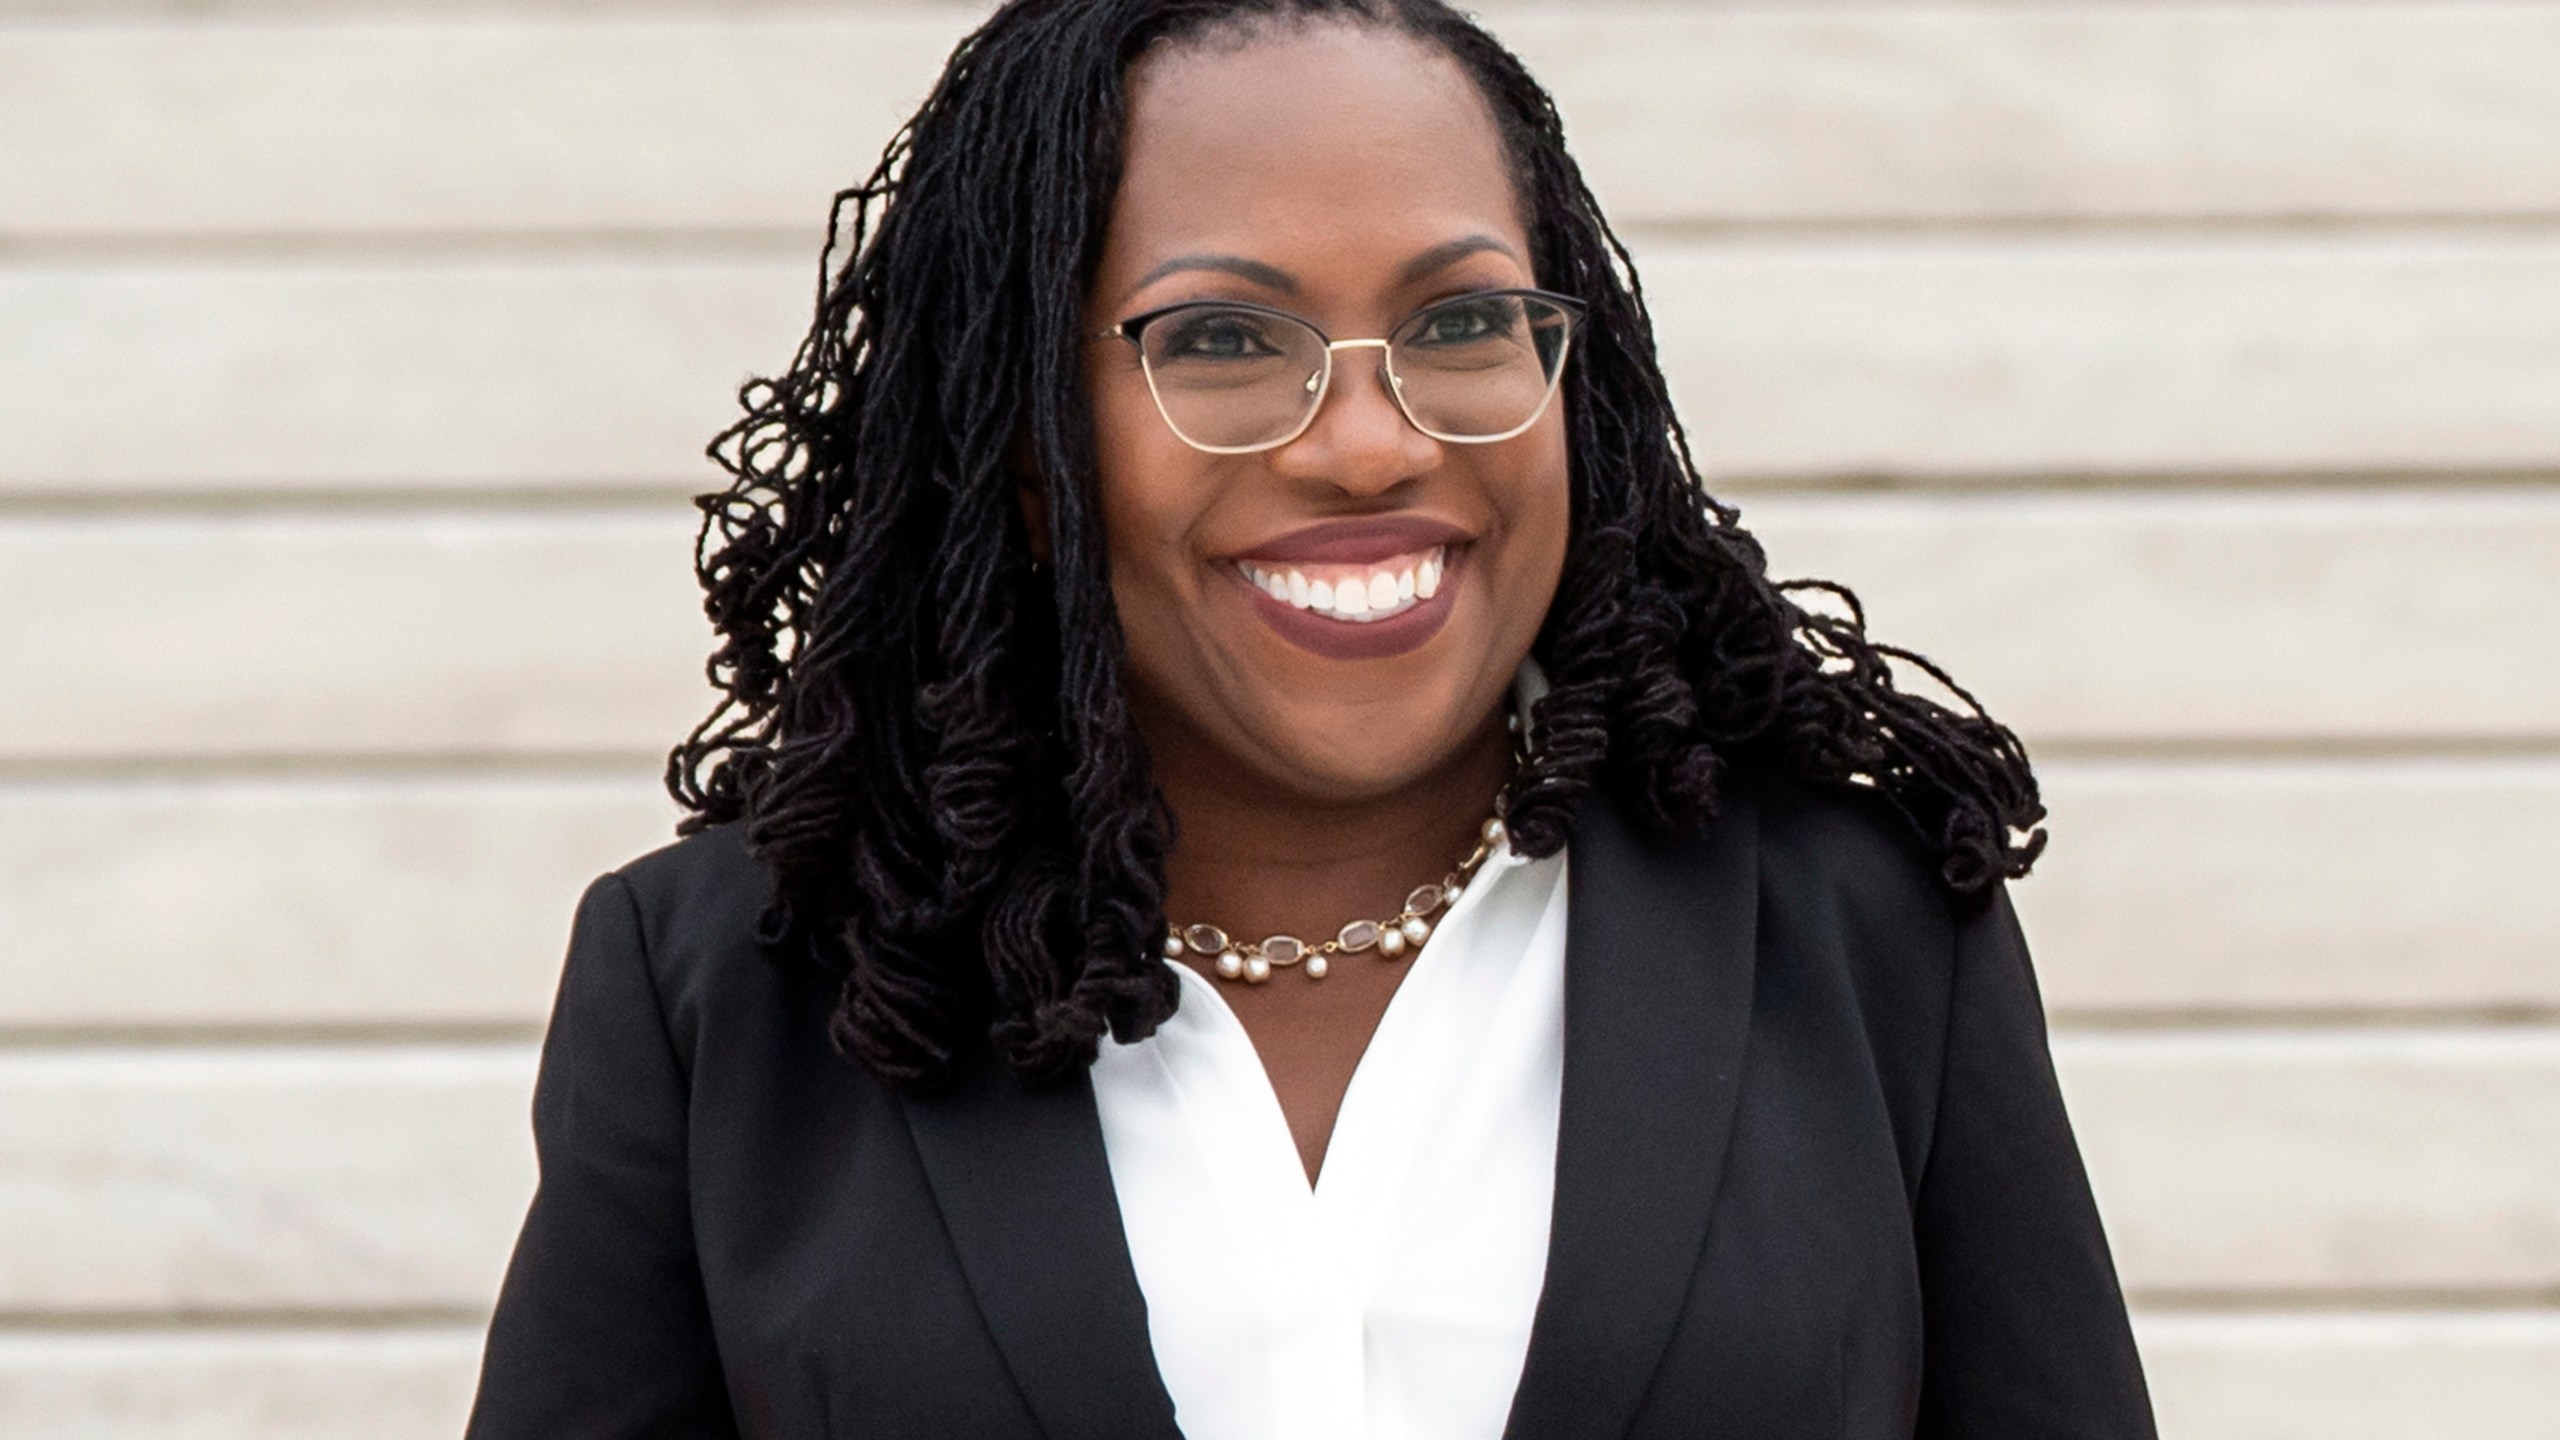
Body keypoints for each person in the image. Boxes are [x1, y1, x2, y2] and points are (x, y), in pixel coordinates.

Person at [466, 1, 2157, 1436]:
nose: (1366, 442)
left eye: (1463, 321)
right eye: (1220, 340)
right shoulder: (729, 994)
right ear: (1027, 440)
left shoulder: (1863, 946)